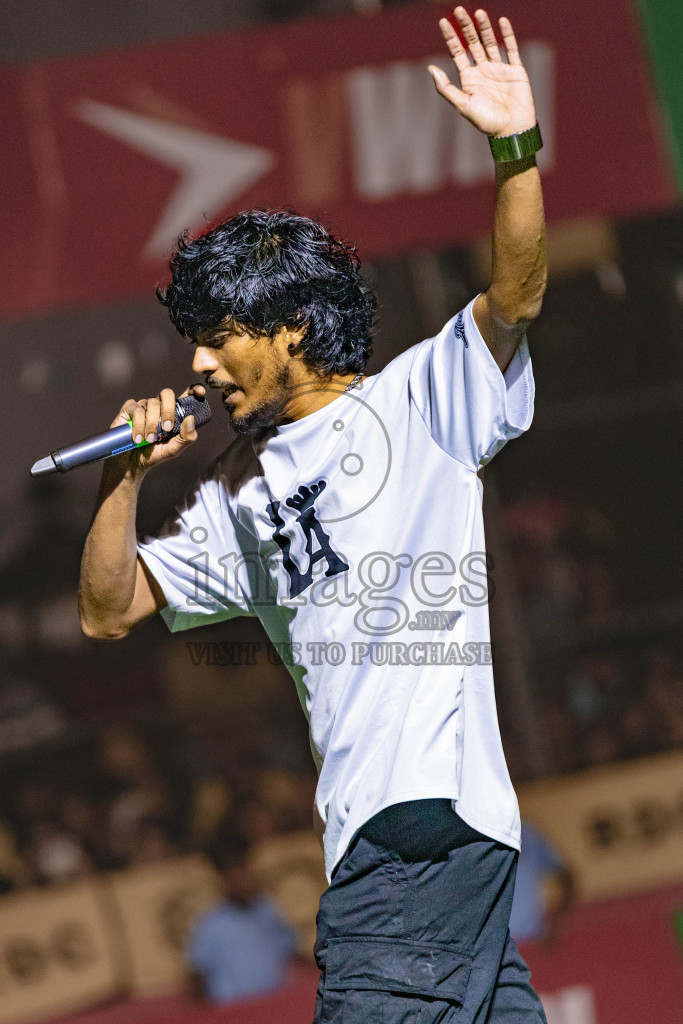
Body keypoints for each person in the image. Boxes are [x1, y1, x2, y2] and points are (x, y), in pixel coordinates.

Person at [79, 8, 547, 1022]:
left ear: (290, 329)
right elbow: (108, 610)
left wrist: (514, 151)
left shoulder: (418, 401)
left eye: (220, 336)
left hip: (411, 847)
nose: (199, 364)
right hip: (401, 859)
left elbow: (513, 292)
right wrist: (123, 477)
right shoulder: (236, 505)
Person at [186, 834, 297, 1004]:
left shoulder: (267, 909)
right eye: (233, 873)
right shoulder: (210, 924)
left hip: (276, 1005)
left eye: (243, 869)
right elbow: (197, 977)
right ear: (222, 878)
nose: (241, 877)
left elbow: (290, 951)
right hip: (235, 1012)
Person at [509, 821, 575, 948]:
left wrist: (557, 922)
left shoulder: (526, 833)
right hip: (494, 945)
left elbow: (565, 876)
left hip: (535, 937)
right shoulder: (471, 837)